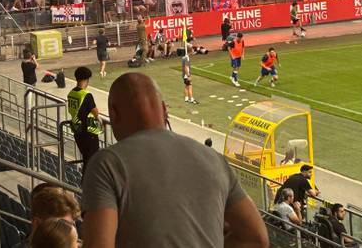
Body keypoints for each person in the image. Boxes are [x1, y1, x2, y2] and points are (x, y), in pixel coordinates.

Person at [81, 72, 268, 248]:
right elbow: (256, 238)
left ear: (113, 113)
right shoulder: (213, 158)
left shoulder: (107, 164)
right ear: (164, 109)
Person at [67, 66, 102, 171]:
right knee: (91, 160)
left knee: (86, 158)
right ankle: (86, 183)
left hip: (77, 130)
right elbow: (95, 111)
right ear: (86, 80)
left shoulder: (71, 93)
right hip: (88, 132)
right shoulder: (86, 95)